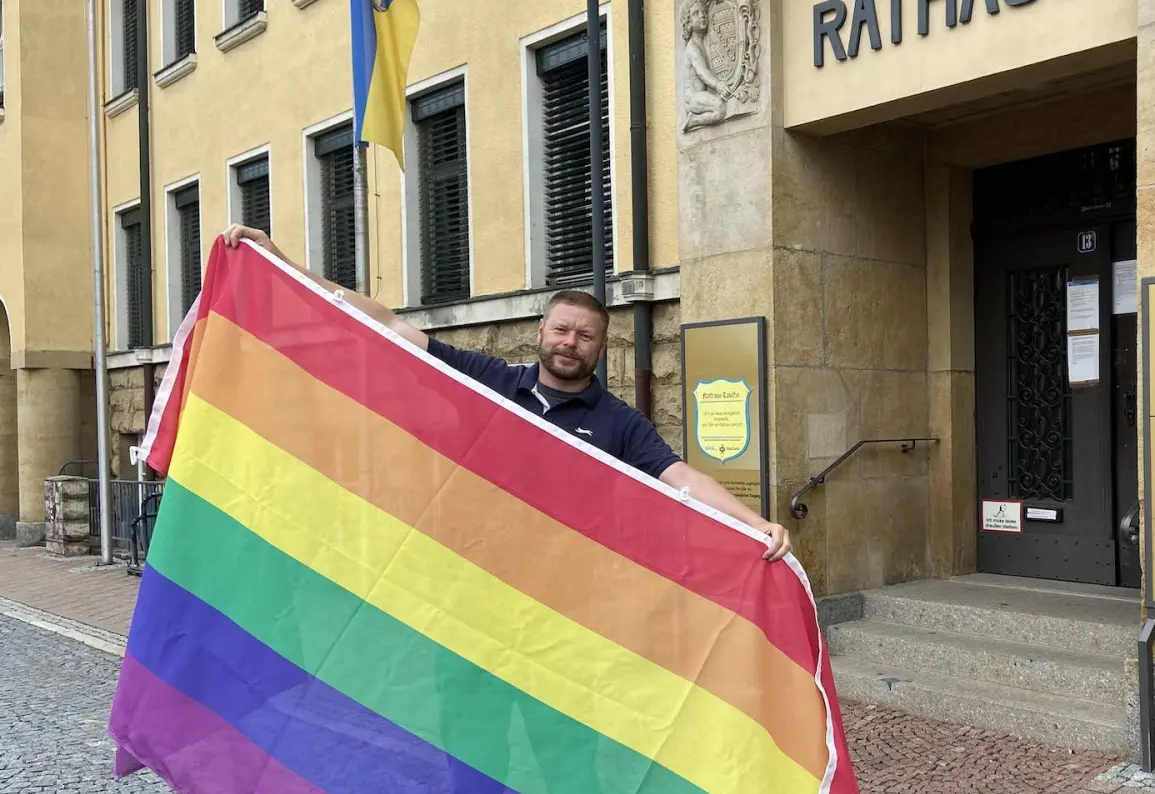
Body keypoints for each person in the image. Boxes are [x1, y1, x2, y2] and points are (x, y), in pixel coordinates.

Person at [222, 224, 793, 562]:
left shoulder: (620, 423)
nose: (572, 343)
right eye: (563, 330)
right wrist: (287, 266)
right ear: (542, 333)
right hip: (479, 584)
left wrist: (755, 523)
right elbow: (391, 327)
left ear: (602, 347)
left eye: (586, 336)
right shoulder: (490, 381)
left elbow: (683, 479)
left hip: (565, 602)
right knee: (463, 741)